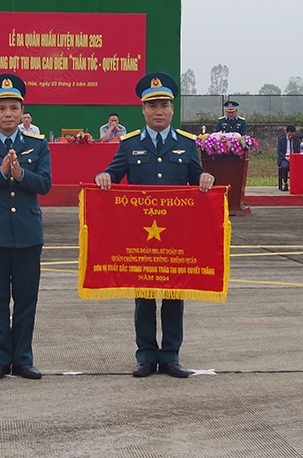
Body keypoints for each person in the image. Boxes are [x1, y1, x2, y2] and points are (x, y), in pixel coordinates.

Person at [94, 72, 215, 379]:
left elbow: (197, 178)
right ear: (143, 111)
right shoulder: (129, 143)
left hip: (176, 236)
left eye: (164, 104)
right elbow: (111, 173)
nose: (158, 111)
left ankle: (171, 355)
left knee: (175, 294)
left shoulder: (187, 144)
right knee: (145, 297)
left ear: (172, 109)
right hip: (141, 237)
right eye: (152, 106)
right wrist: (103, 178)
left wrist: (204, 178)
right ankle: (146, 355)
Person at [0, 73, 52, 381]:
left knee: (27, 301)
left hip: (28, 234)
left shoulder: (37, 144)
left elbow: (44, 184)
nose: (8, 114)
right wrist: (2, 173)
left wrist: (20, 174)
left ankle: (24, 359)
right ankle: (0, 360)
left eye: (13, 108)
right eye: (1, 108)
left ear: (22, 111)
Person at [277, 125, 300, 191]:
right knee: (285, 167)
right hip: (285, 158)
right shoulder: (281, 140)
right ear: (286, 132)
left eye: (292, 134)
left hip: (295, 158)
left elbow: (298, 150)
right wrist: (285, 157)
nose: (291, 135)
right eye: (289, 134)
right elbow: (279, 151)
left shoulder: (296, 140)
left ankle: (297, 184)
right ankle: (285, 183)